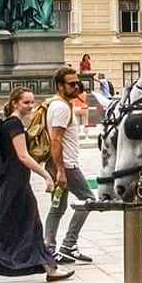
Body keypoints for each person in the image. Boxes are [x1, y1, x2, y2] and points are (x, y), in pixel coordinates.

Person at [0, 87, 73, 283]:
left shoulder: (10, 123)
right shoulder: (14, 125)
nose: (30, 106)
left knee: (29, 225)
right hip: (15, 184)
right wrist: (46, 175)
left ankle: (50, 268)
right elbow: (23, 156)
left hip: (13, 183)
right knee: (3, 227)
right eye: (26, 102)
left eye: (32, 102)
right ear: (15, 103)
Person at [44, 68, 96, 264]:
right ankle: (67, 245)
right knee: (88, 200)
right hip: (66, 165)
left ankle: (50, 248)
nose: (76, 87)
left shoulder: (57, 104)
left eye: (77, 83)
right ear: (60, 86)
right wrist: (61, 170)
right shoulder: (61, 108)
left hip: (60, 164)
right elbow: (55, 140)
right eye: (71, 84)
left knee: (57, 206)